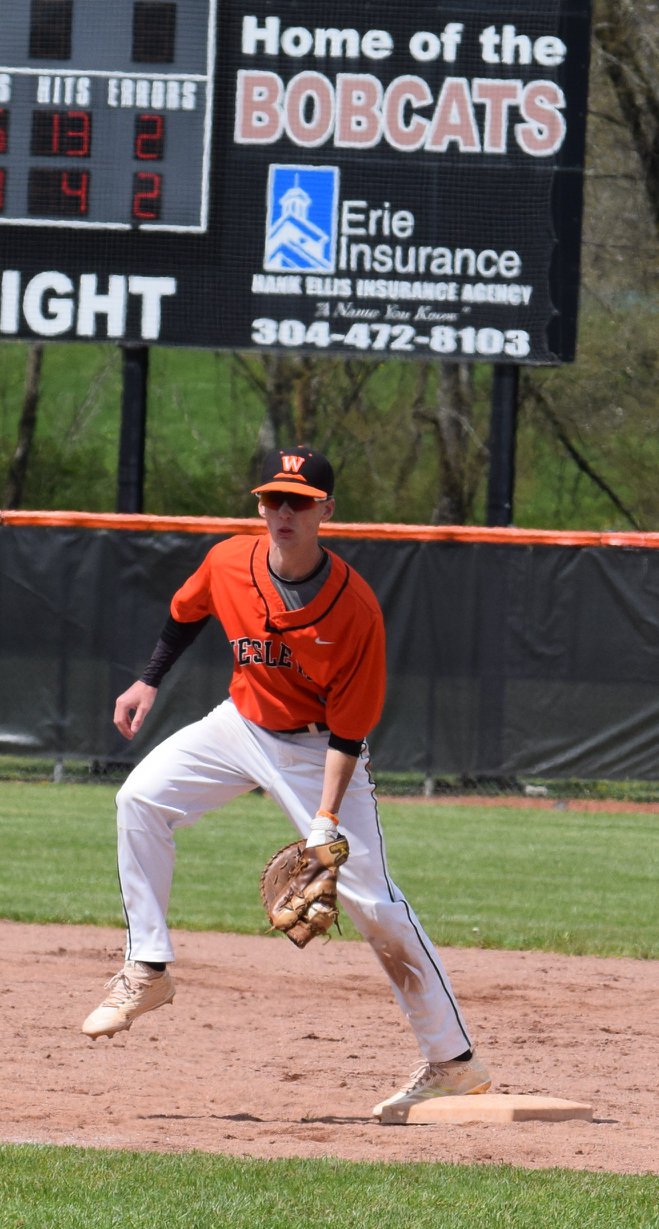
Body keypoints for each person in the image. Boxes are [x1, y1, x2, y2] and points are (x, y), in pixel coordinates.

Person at [82, 445, 491, 1117]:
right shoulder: (227, 561)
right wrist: (147, 680)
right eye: (272, 499)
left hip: (316, 750)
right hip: (238, 724)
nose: (282, 512)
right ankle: (147, 967)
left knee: (374, 906)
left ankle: (453, 1062)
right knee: (139, 799)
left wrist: (323, 822)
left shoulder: (354, 610)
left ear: (326, 509)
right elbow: (186, 613)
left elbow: (349, 733)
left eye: (298, 501)